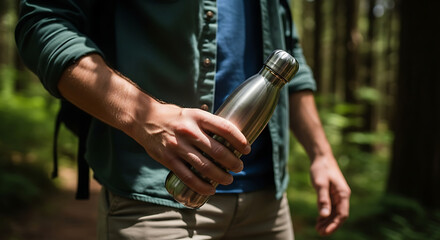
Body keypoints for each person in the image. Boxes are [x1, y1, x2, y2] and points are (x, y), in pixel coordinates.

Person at [15, 0, 351, 239]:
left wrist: (321, 153)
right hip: (155, 202)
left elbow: (288, 50)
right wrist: (144, 116)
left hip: (269, 205)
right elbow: (44, 22)